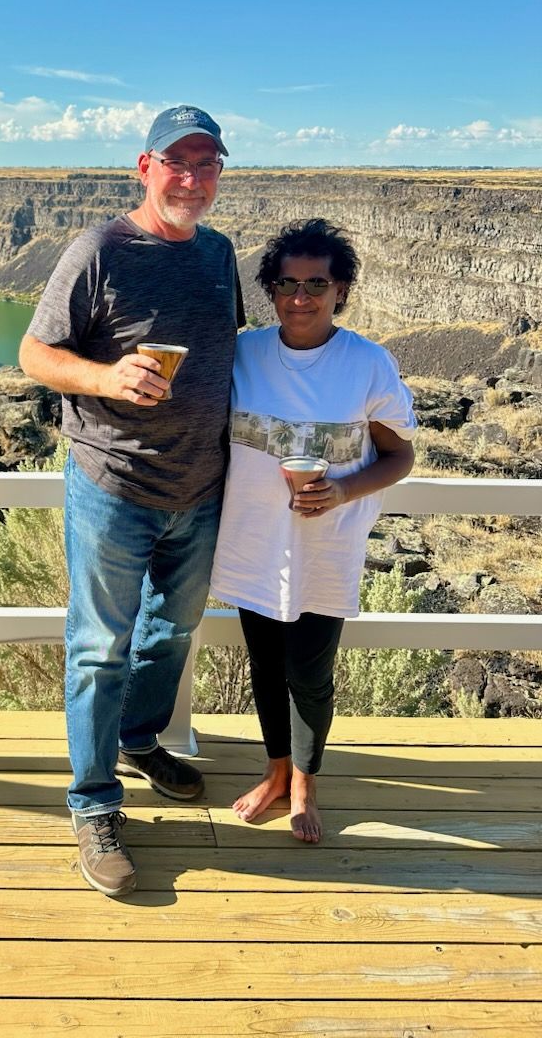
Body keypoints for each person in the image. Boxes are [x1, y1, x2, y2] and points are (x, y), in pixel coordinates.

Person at [19, 105, 244, 896]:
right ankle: (93, 804)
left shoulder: (219, 253)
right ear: (143, 168)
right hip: (113, 486)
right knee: (97, 647)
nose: (192, 178)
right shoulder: (98, 251)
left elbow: (231, 354)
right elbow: (35, 352)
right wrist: (105, 377)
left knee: (171, 630)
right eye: (176, 163)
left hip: (202, 486)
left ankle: (141, 740)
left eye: (207, 163)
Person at [209, 218, 416, 844]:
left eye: (316, 284)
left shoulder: (367, 364)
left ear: (341, 289)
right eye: (287, 284)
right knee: (265, 665)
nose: (301, 298)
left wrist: (344, 491)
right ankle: (274, 772)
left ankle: (305, 781)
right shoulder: (243, 352)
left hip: (327, 546)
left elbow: (400, 455)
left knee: (309, 670)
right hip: (251, 541)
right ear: (270, 290)